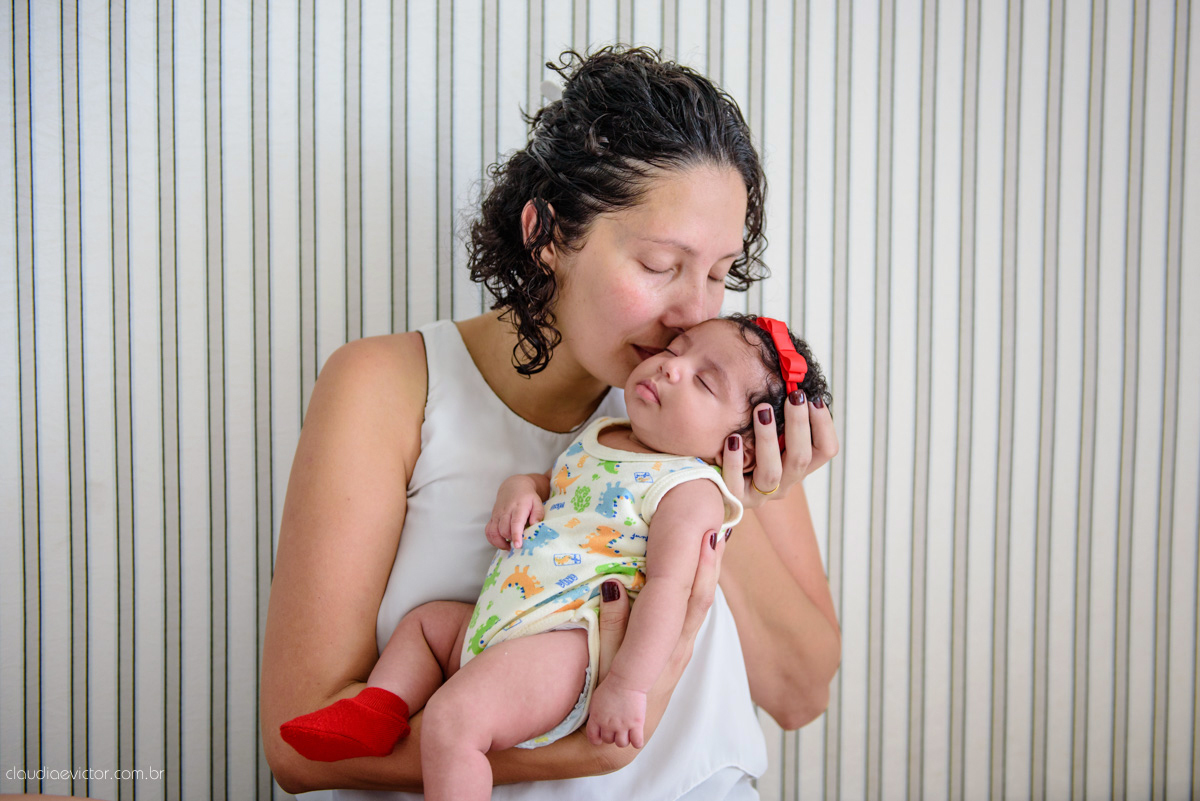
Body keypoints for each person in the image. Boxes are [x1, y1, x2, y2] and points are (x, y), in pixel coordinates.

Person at [260, 46, 841, 800]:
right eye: (663, 264)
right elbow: (300, 745)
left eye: (718, 272)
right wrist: (575, 756)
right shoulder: (388, 385)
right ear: (546, 234)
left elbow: (800, 696)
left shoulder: (715, 403)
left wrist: (727, 502)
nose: (694, 313)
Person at [275, 315, 831, 800]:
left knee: (452, 721)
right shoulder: (606, 433)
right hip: (513, 616)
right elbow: (557, 482)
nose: (668, 367)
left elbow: (669, 587)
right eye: (676, 350)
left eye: (704, 381)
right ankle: (377, 707)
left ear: (741, 445)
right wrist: (521, 490)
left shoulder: (691, 490)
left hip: (569, 640)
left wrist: (628, 687)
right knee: (425, 627)